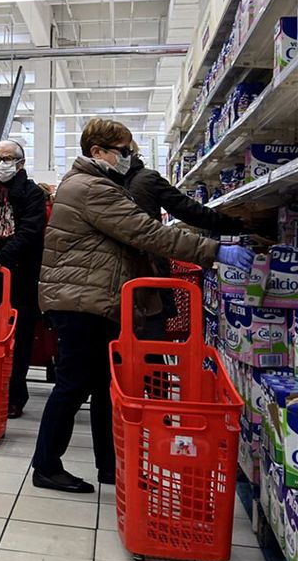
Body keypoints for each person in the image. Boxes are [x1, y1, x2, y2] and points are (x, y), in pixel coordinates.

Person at [31, 118, 254, 494]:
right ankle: (46, 466)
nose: (129, 157)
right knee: (73, 385)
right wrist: (215, 251)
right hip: (82, 301)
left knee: (105, 386)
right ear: (97, 151)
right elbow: (146, 231)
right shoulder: (92, 188)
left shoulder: (94, 184)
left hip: (93, 299)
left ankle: (110, 466)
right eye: (123, 151)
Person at [124, 142, 246, 338]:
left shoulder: (110, 183)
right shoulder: (146, 179)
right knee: (152, 338)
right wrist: (236, 225)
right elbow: (189, 210)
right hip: (151, 270)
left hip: (121, 280)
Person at [0, 140, 47, 419]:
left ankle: (16, 394)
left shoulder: (32, 194)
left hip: (21, 275)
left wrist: (2, 258)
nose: (1, 163)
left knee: (19, 339)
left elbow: (30, 232)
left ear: (21, 163)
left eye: (8, 158)